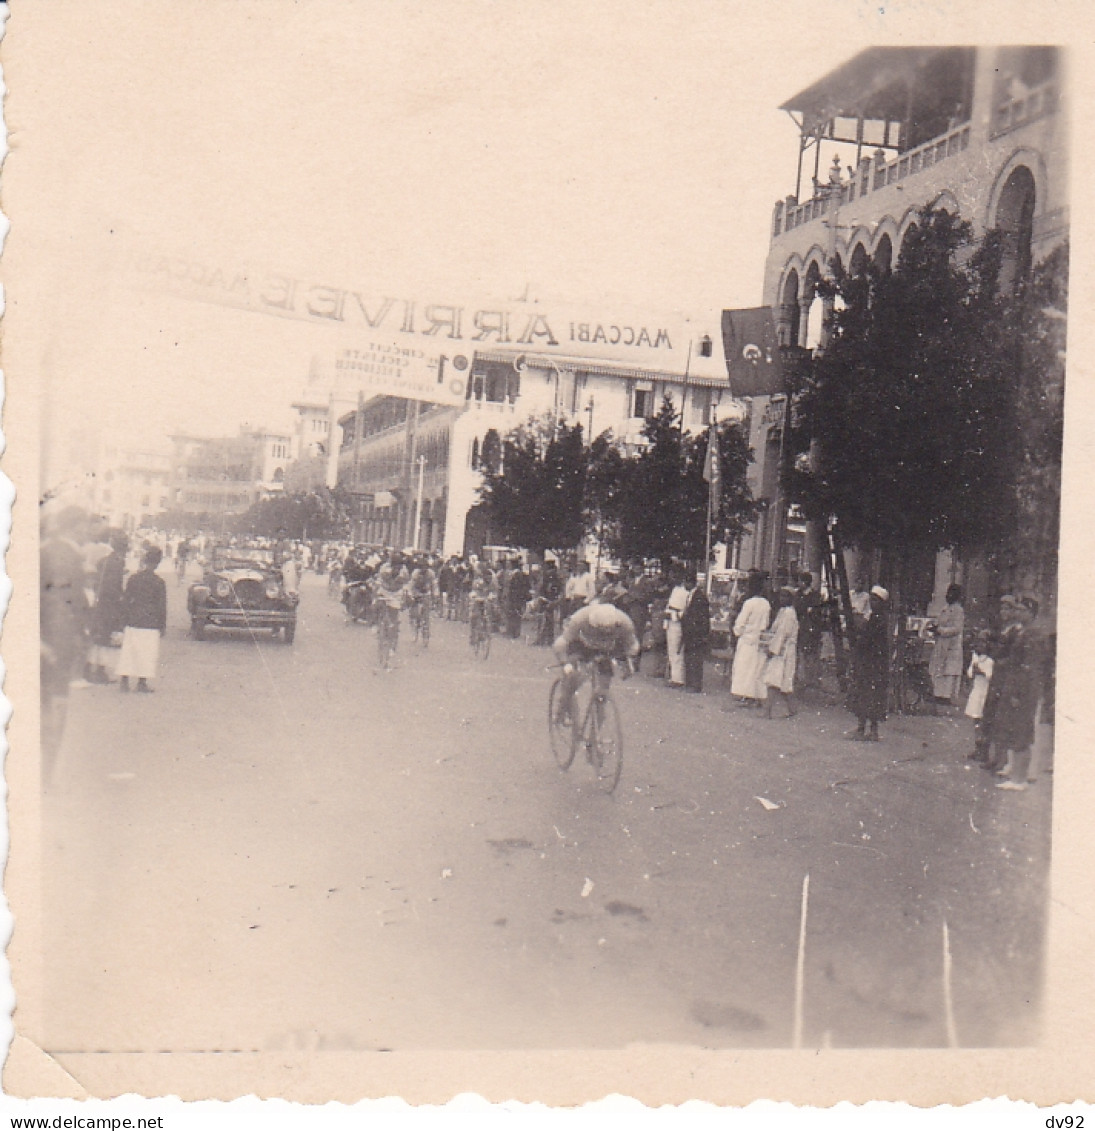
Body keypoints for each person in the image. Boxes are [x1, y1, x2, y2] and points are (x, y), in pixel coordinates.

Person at [984, 595, 1043, 790]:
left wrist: (1019, 692)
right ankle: (1016, 773)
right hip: (1016, 685)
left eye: (1022, 610)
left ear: (1031, 613)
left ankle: (1020, 778)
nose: (1018, 613)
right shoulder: (1023, 632)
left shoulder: (1032, 634)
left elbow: (1027, 666)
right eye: (1017, 609)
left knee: (1022, 732)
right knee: (1015, 730)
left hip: (1023, 688)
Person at [552, 599, 640, 725]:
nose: (603, 632)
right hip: (581, 645)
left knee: (603, 689)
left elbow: (631, 645)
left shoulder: (625, 623)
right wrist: (565, 663)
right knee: (574, 676)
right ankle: (563, 708)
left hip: (606, 650)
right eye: (600, 629)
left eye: (608, 630)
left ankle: (596, 730)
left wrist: (629, 662)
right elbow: (560, 644)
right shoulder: (579, 619)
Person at [117, 546, 167, 693]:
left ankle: (124, 681)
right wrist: (162, 625)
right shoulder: (159, 582)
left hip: (133, 619)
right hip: (150, 622)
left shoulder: (134, 578)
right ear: (158, 563)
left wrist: (123, 619)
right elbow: (161, 606)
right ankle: (141, 682)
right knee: (147, 652)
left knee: (129, 650)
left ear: (145, 560)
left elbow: (126, 599)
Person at [847, 585, 890, 741]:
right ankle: (865, 728)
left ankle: (868, 729)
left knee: (870, 695)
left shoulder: (879, 620)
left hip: (873, 663)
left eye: (875, 600)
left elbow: (869, 641)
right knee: (867, 695)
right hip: (870, 662)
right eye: (871, 599)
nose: (872, 602)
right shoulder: (873, 617)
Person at [88, 531, 128, 683]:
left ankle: (92, 668)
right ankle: (100, 672)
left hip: (101, 601)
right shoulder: (118, 562)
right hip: (109, 603)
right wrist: (121, 597)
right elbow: (113, 585)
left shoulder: (105, 560)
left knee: (98, 635)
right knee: (105, 636)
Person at [730, 571, 771, 706]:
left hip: (747, 640)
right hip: (759, 640)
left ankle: (747, 696)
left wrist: (738, 632)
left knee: (744, 669)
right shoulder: (766, 604)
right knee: (757, 670)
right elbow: (765, 624)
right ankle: (756, 697)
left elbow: (740, 623)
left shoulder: (749, 603)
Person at [764, 587, 799, 718]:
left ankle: (767, 711)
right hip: (780, 650)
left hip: (784, 651)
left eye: (785, 596)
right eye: (781, 596)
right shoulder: (782, 611)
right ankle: (792, 710)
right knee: (783, 682)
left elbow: (782, 633)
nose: (782, 599)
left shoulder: (790, 613)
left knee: (775, 680)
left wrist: (773, 650)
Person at [929, 583, 965, 703]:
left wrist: (941, 630)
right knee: (939, 668)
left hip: (952, 645)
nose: (948, 595)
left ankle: (946, 696)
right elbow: (939, 622)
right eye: (948, 593)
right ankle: (938, 694)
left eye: (952, 593)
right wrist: (934, 627)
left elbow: (957, 628)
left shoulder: (958, 610)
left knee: (949, 670)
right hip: (942, 643)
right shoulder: (944, 609)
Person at [964, 630, 995, 764]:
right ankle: (978, 748)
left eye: (982, 644)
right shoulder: (975, 658)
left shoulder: (990, 661)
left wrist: (981, 672)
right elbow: (970, 673)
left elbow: (990, 676)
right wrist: (974, 670)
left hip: (985, 692)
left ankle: (985, 751)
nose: (979, 647)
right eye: (977, 644)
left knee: (984, 723)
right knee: (976, 722)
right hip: (976, 692)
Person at [680, 569, 711, 693]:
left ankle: (696, 684)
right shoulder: (691, 595)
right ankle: (689, 682)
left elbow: (703, 617)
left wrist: (703, 633)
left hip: (696, 632)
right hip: (689, 632)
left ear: (690, 583)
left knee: (695, 659)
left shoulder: (700, 597)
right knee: (689, 657)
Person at [663, 565, 688, 688]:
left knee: (677, 650)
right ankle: (673, 676)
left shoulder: (684, 591)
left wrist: (670, 611)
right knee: (671, 651)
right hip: (670, 623)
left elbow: (680, 609)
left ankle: (678, 679)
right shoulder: (675, 590)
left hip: (677, 623)